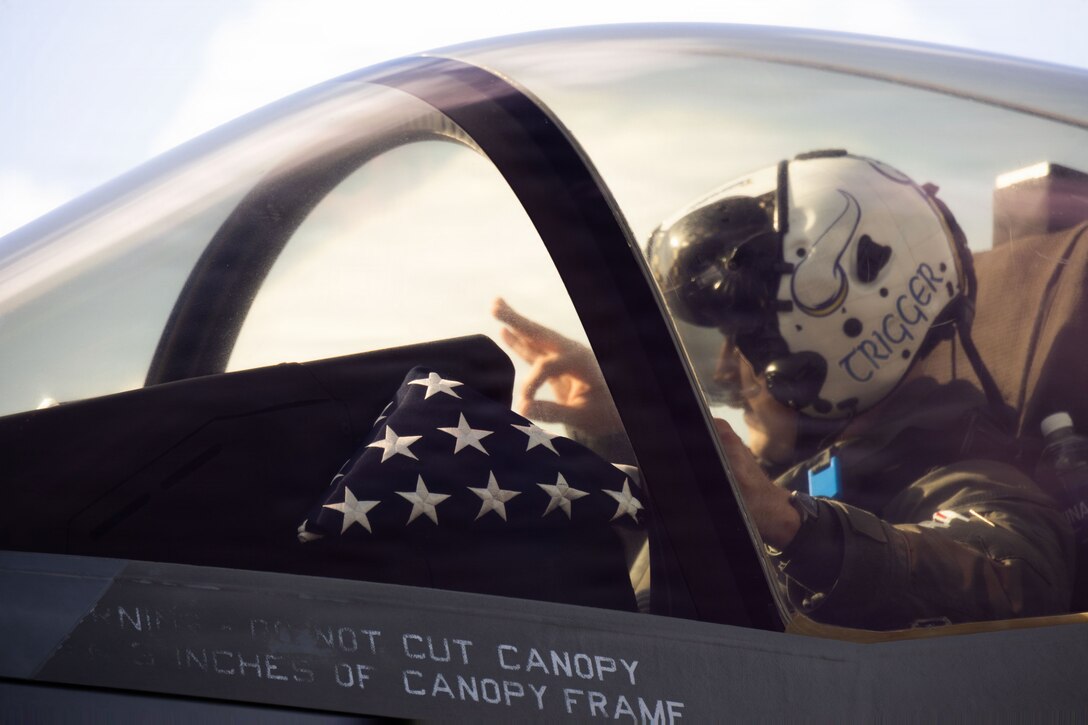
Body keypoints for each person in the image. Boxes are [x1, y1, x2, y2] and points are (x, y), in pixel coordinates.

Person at [494, 150, 1075, 630]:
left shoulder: (958, 480)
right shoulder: (786, 475)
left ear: (835, 337)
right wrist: (622, 426)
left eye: (741, 342)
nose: (724, 373)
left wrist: (791, 527)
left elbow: (1014, 575)